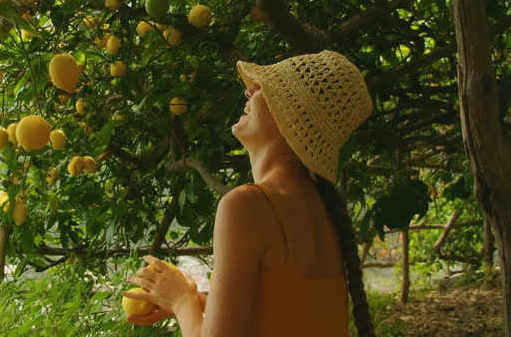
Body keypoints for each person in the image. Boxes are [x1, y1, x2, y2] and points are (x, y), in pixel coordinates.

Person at [124, 50, 376, 336]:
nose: (249, 89)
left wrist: (182, 302)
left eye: (265, 87)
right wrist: (191, 301)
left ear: (292, 116)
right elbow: (284, 315)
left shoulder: (248, 204)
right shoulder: (321, 207)